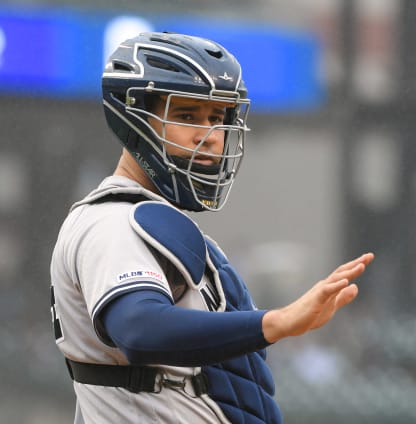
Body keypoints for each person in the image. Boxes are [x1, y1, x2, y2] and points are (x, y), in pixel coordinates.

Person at [50, 32, 374, 424]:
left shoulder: (159, 225)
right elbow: (139, 328)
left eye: (217, 119)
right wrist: (276, 322)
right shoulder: (112, 220)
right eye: (187, 116)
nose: (211, 137)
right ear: (134, 116)